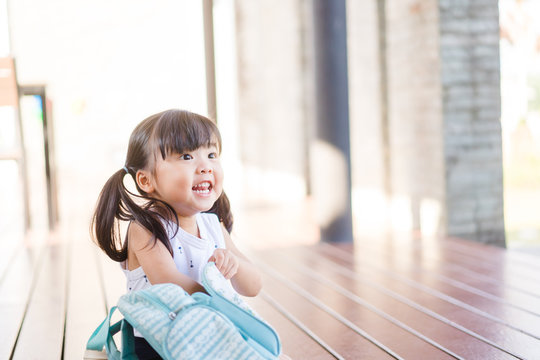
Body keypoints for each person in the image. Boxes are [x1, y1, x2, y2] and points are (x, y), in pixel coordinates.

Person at [91, 109, 262, 359]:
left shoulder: (213, 225)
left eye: (212, 154)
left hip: (209, 336)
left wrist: (233, 267)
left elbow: (254, 286)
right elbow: (170, 284)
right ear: (146, 180)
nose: (205, 167)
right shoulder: (146, 227)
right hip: (159, 343)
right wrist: (224, 300)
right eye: (186, 156)